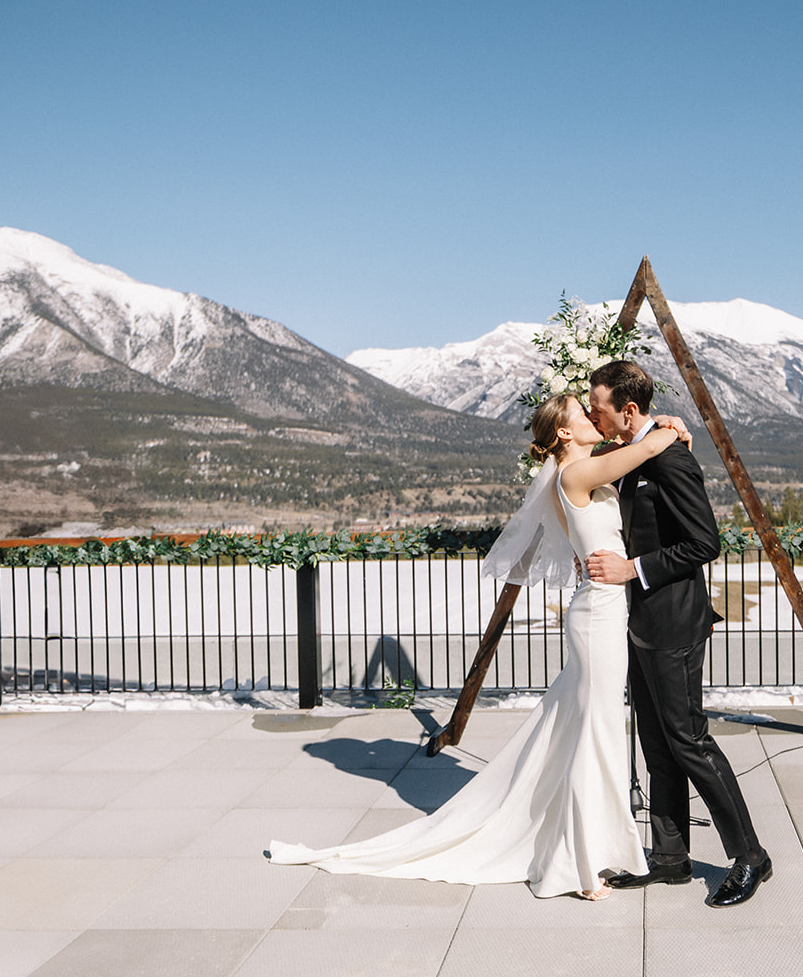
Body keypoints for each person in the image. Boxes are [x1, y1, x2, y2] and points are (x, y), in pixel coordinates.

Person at [268, 394, 680, 899]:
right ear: (566, 434)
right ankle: (580, 863)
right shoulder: (575, 475)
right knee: (596, 735)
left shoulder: (585, 468)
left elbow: (633, 455)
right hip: (597, 615)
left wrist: (654, 429)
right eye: (582, 411)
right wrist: (668, 426)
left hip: (604, 610)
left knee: (590, 732)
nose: (593, 416)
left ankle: (592, 850)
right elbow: (647, 448)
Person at [583, 360, 772, 908]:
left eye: (600, 407)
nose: (595, 414)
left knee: (689, 740)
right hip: (641, 624)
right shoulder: (633, 451)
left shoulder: (670, 457)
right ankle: (670, 859)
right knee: (656, 743)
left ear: (629, 411)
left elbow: (704, 543)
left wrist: (632, 568)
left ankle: (751, 857)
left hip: (675, 623)